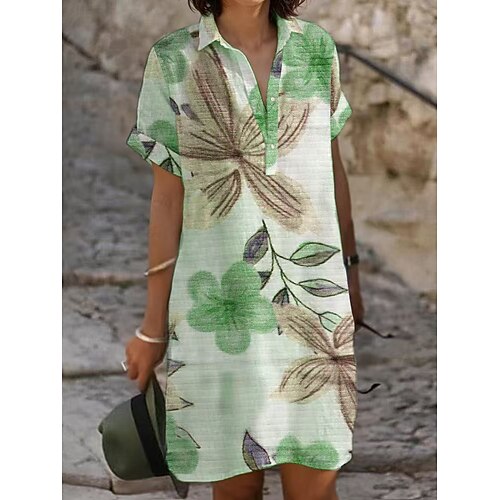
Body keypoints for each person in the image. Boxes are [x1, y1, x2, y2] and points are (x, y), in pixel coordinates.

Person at [124, 0, 365, 498]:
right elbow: (167, 202)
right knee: (235, 493)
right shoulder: (174, 59)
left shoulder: (317, 49)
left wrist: (351, 275)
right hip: (219, 319)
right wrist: (152, 328)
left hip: (313, 315)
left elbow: (333, 170)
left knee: (317, 489)